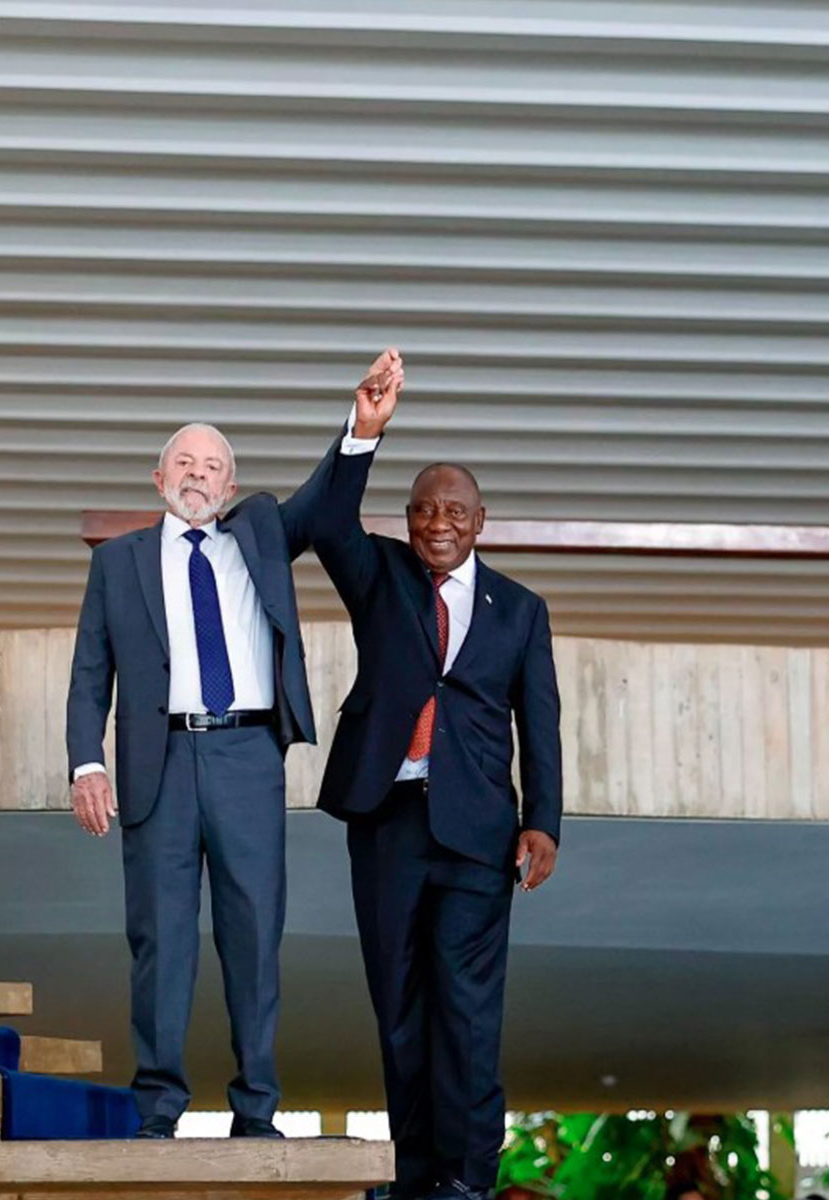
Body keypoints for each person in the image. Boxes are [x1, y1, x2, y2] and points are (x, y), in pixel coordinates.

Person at [64, 373, 383, 1138]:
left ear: (231, 484)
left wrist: (362, 428)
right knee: (159, 942)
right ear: (159, 479)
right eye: (183, 463)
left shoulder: (263, 531)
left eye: (211, 466)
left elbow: (328, 499)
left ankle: (257, 1110)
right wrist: (87, 763)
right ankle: (158, 1109)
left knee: (254, 936)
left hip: (246, 755)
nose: (197, 475)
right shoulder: (120, 562)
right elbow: (88, 672)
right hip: (158, 765)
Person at [310, 353, 563, 1200]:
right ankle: (417, 1176)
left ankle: (467, 1176)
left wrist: (545, 821)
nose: (438, 522)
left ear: (481, 520)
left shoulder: (520, 611)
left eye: (455, 510)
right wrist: (363, 435)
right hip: (385, 818)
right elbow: (324, 521)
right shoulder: (378, 575)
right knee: (400, 1007)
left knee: (466, 1009)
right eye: (423, 509)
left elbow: (542, 722)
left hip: (478, 829)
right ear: (408, 519)